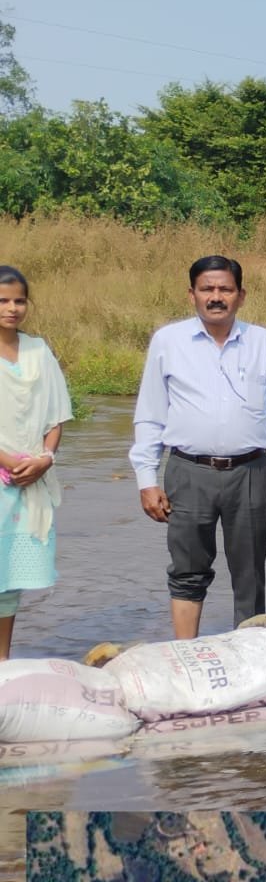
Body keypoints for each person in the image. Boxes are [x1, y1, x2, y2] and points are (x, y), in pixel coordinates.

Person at [130, 256, 266, 637]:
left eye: (225, 289)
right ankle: (186, 654)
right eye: (207, 289)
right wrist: (146, 479)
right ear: (191, 294)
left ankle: (249, 654)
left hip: (251, 472)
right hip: (189, 472)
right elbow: (150, 414)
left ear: (241, 295)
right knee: (187, 570)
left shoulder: (264, 343)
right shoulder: (168, 342)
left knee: (250, 573)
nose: (216, 297)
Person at [0, 266, 73, 660]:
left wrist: (45, 459)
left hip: (30, 478)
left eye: (19, 300)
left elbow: (55, 416)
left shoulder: (38, 351)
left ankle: (3, 663)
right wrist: (10, 462)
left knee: (9, 578)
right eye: (2, 300)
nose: (12, 308)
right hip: (9, 473)